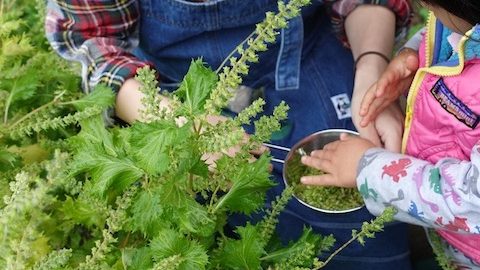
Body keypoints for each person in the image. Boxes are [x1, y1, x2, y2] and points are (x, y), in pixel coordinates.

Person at [46, 0, 412, 269]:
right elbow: (93, 44)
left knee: (361, 208)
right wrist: (178, 124)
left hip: (306, 59)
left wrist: (371, 67)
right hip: (175, 91)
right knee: (219, 228)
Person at [301, 0, 480, 268]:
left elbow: (471, 201)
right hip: (451, 234)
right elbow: (455, 34)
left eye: (433, 11)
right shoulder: (464, 19)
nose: (429, 14)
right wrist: (413, 55)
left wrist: (367, 168)